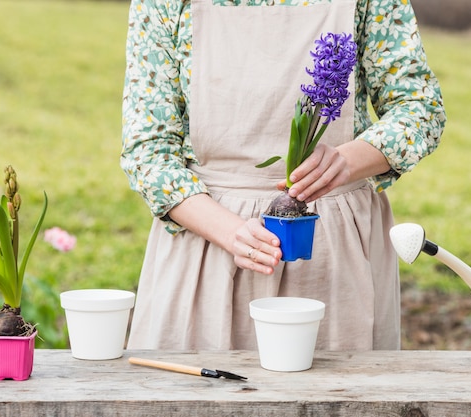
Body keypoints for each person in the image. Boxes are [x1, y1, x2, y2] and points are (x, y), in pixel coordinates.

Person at [121, 0, 446, 351]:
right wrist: (231, 233)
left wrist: (347, 161)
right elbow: (148, 151)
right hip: (207, 251)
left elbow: (420, 109)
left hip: (334, 250)